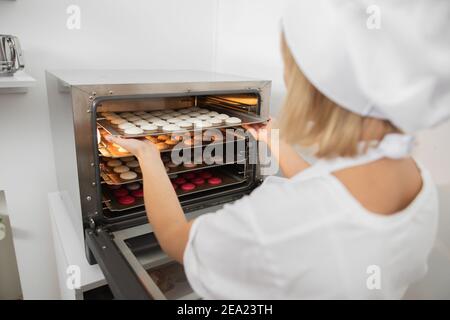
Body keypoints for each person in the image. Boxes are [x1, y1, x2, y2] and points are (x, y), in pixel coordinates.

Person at [107, 0, 450, 299]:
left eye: (290, 66)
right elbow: (327, 194)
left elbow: (176, 239)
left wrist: (149, 157)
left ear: (313, 87)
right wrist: (273, 140)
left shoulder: (275, 222)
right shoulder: (415, 179)